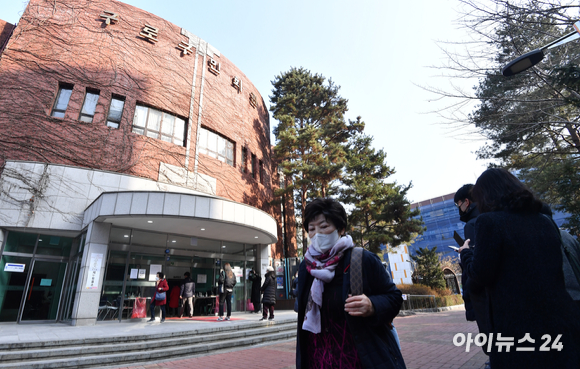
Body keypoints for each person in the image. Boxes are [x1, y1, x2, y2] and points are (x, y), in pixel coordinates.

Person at [459, 168, 580, 369]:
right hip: (560, 319)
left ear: (486, 195)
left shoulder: (489, 222)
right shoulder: (544, 221)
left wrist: (466, 253)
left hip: (518, 325)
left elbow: (480, 275)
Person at [296, 198, 406, 369]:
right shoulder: (307, 266)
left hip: (357, 360)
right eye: (311, 229)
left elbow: (394, 297)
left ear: (341, 229)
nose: (317, 234)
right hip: (317, 359)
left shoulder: (361, 259)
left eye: (324, 227)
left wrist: (372, 306)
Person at [455, 184, 489, 369]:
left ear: (466, 202)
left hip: (484, 297)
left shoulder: (473, 224)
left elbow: (477, 269)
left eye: (458, 204)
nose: (459, 209)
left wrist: (464, 254)